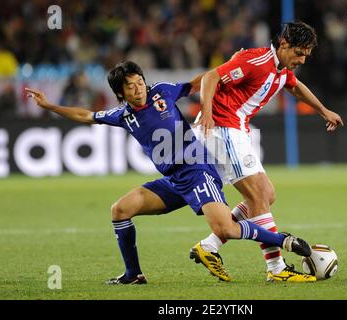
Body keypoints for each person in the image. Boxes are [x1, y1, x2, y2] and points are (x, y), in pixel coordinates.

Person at [25, 61, 315, 285]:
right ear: (120, 93)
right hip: (173, 180)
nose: (139, 88)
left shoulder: (162, 91)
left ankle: (283, 240)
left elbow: (194, 83)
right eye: (131, 86)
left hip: (197, 171)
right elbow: (86, 115)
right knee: (120, 210)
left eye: (140, 82)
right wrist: (49, 105)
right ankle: (133, 275)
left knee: (225, 228)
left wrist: (225, 69)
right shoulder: (122, 116)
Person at [193, 21, 344, 282]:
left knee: (266, 194)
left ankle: (210, 246)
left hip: (235, 129)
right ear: (284, 43)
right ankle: (276, 269)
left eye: (306, 55)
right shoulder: (256, 60)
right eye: (299, 53)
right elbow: (211, 77)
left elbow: (295, 87)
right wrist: (206, 111)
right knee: (259, 194)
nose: (302, 60)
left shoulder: (282, 69)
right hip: (222, 127)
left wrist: (324, 111)